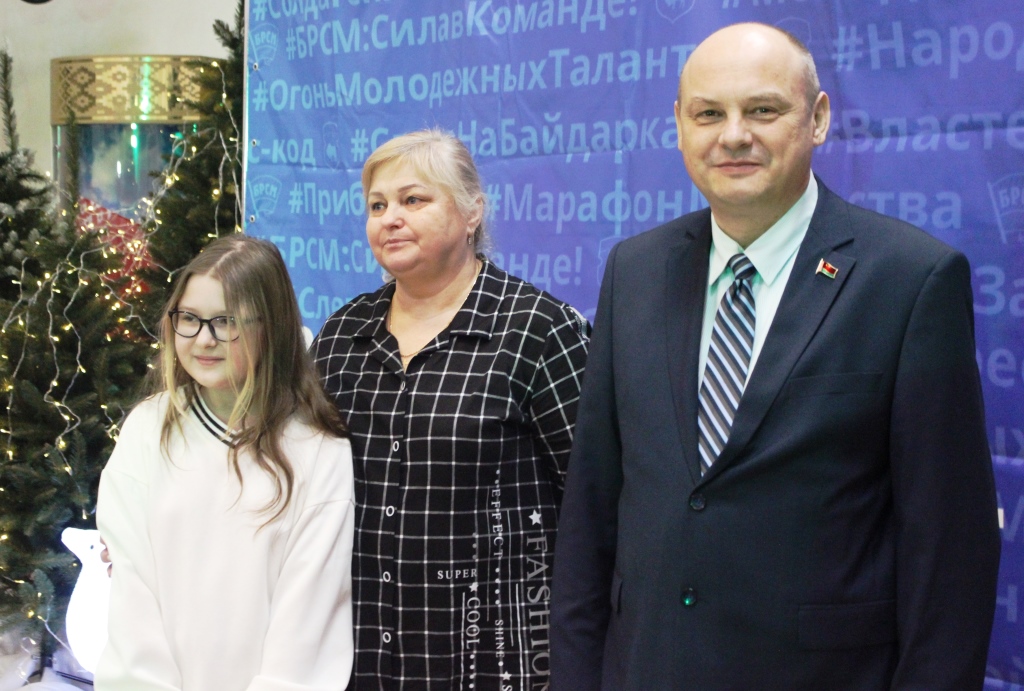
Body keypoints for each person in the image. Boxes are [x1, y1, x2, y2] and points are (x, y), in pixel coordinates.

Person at [550, 22, 1001, 690]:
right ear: (679, 126)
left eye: (762, 109)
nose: (733, 135)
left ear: (817, 119)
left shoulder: (910, 279)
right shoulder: (634, 270)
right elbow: (591, 512)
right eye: (709, 114)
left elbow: (949, 553)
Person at [311, 128, 590, 688]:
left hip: (494, 661)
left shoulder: (539, 329)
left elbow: (594, 504)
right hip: (357, 663)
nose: (390, 219)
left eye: (413, 200)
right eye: (377, 206)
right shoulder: (342, 334)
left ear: (471, 213)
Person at [95, 235, 355, 690]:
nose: (203, 339)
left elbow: (306, 627)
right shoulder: (148, 428)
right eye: (189, 319)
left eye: (225, 322)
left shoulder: (319, 449)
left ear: (271, 327)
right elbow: (132, 598)